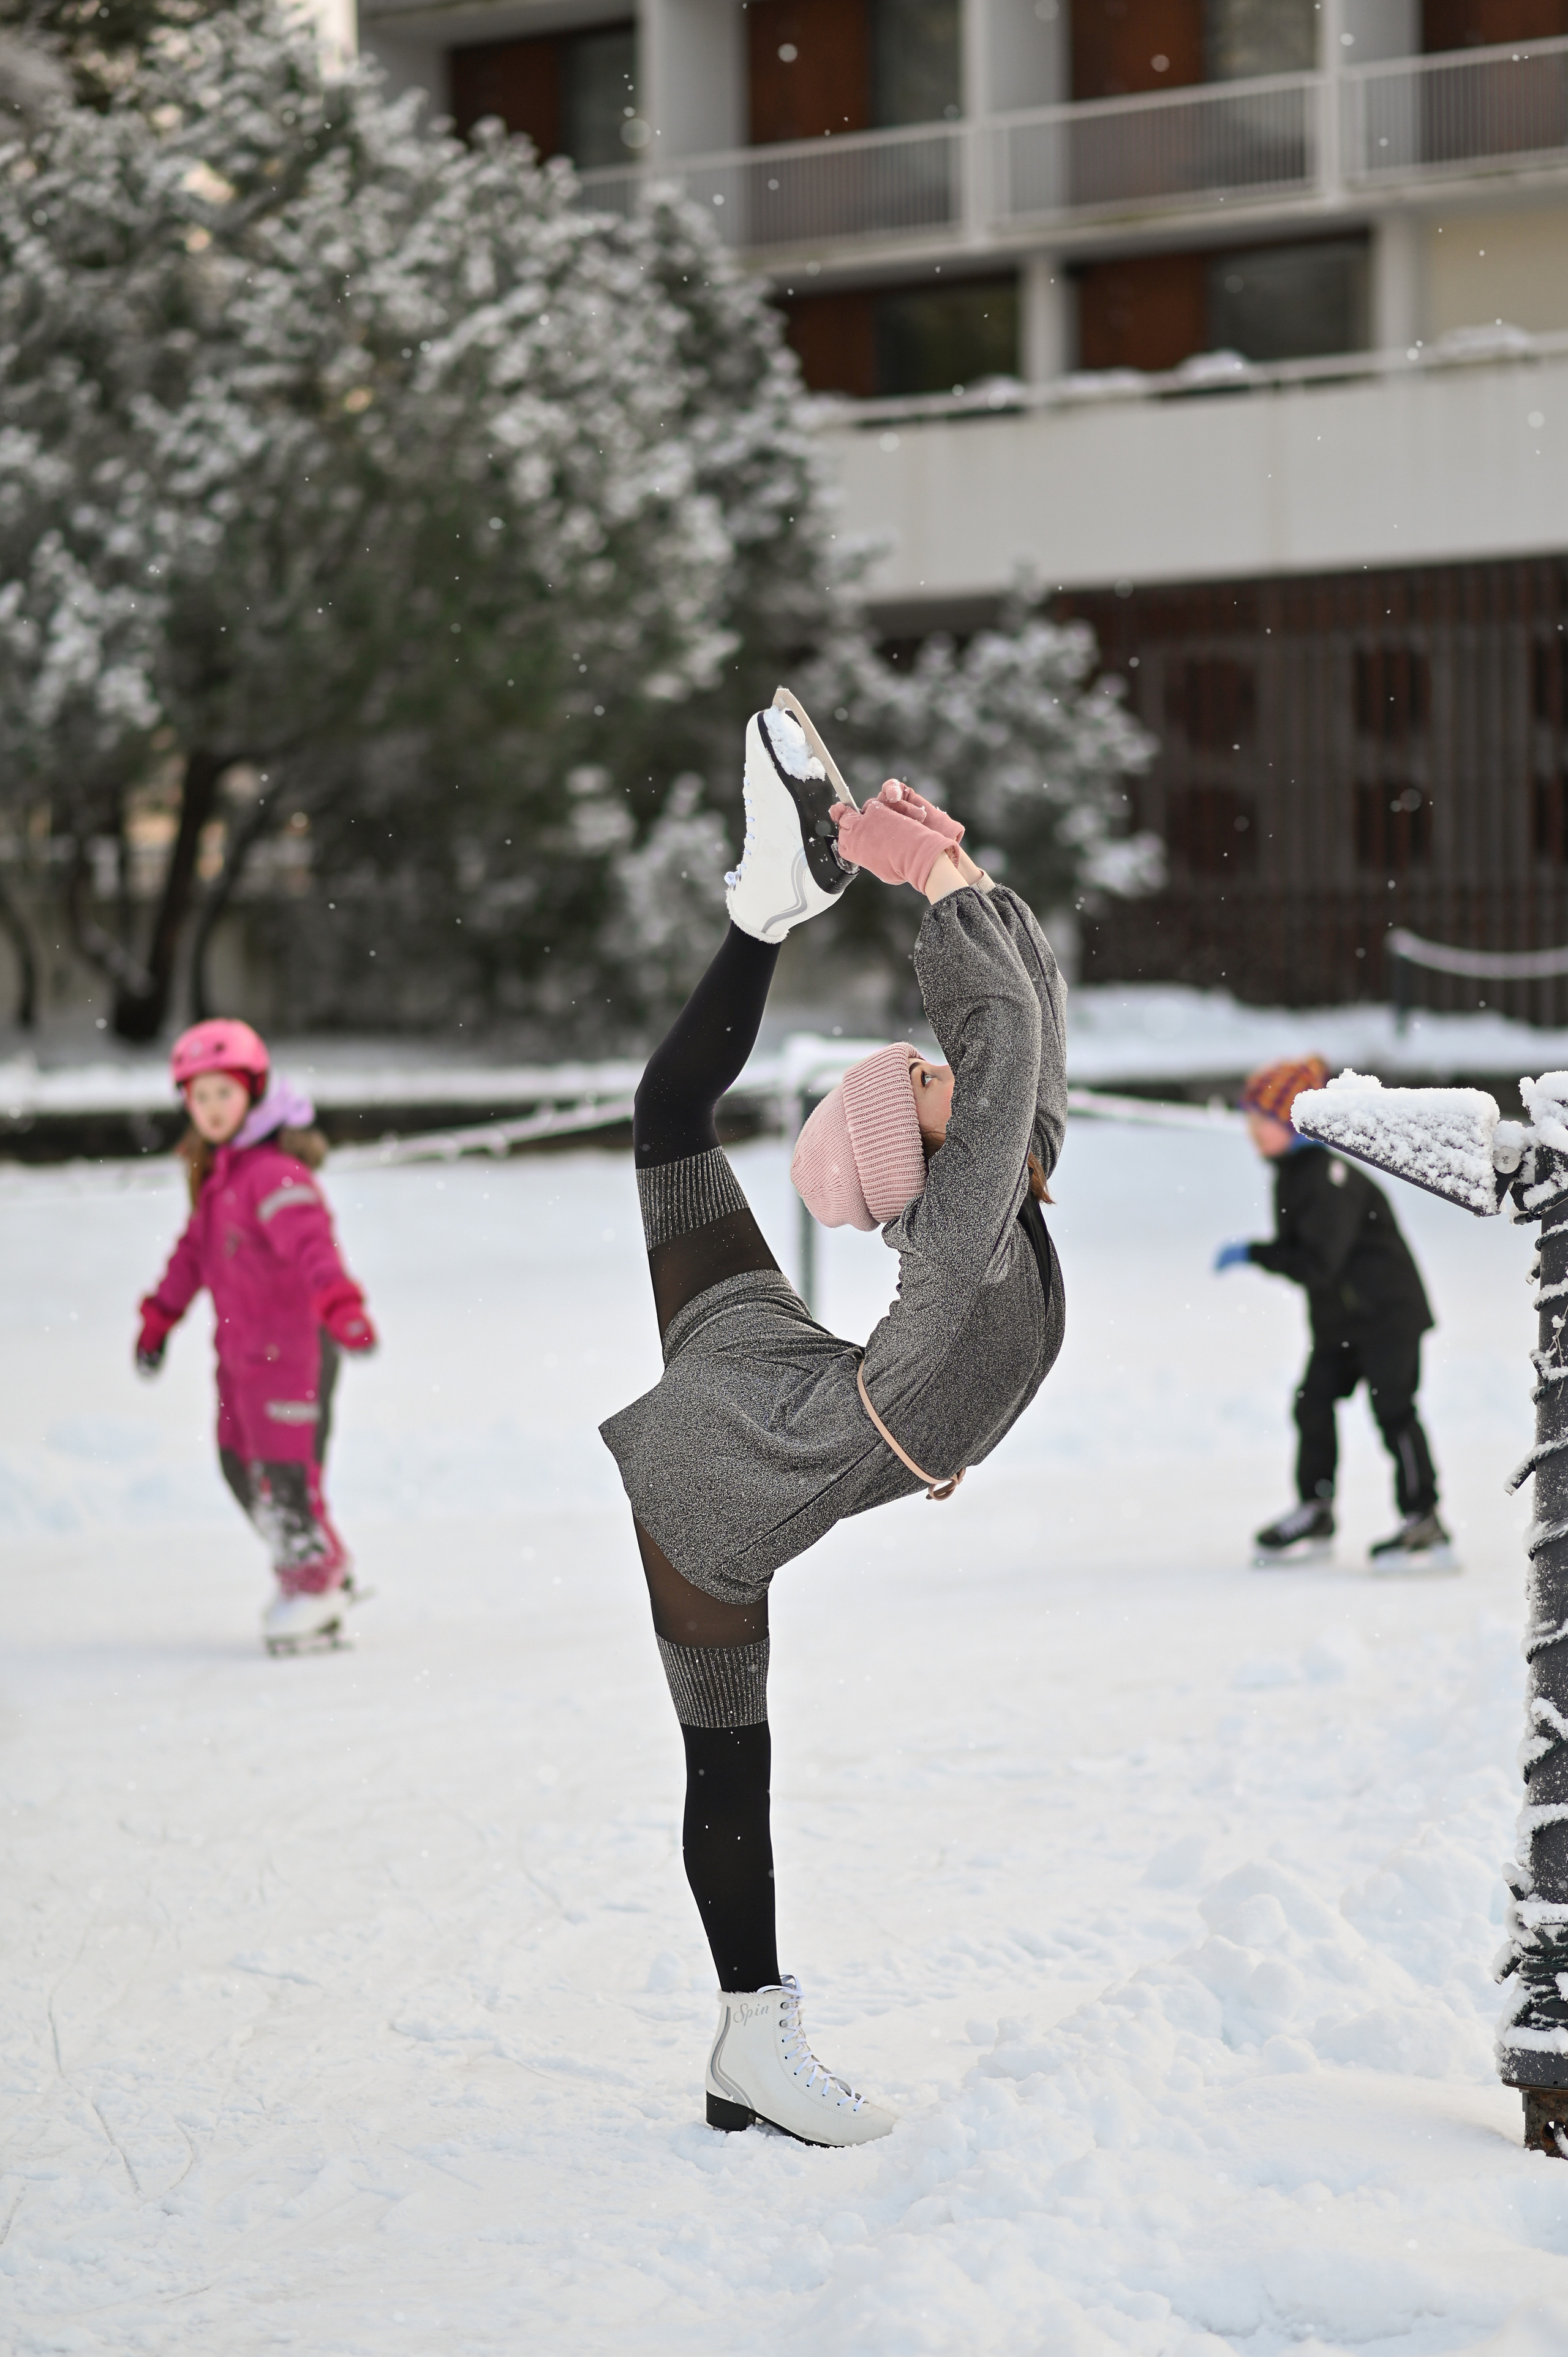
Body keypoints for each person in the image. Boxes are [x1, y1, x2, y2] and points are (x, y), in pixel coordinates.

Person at [600, 690, 1068, 2147]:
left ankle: (761, 907)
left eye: (926, 1068)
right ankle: (751, 2036)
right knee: (727, 1758)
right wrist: (929, 889)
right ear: (918, 1148)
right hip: (726, 1472)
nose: (945, 1073)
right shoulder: (955, 1251)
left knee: (666, 1120)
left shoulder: (984, 1207)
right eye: (923, 1080)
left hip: (767, 1361)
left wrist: (968, 878)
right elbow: (996, 1042)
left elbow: (1027, 1042)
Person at [135, 1018, 379, 1651]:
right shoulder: (222, 1180)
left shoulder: (273, 1175)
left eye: (225, 1092)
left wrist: (342, 1306)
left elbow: (313, 1248)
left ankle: (314, 1583)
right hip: (242, 1358)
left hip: (294, 1352)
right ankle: (322, 1562)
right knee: (238, 1463)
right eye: (200, 1096)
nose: (213, 1108)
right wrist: (158, 1320)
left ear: (255, 1092)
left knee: (283, 1472)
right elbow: (190, 1259)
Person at [1214, 1054, 1453, 1572]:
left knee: (1394, 1411)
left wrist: (1257, 1254)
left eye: (1261, 1118)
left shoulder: (1329, 1174)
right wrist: (1266, 1253)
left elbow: (1318, 1263)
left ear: (1292, 1122)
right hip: (1341, 1322)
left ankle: (1425, 1520)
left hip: (1386, 1316)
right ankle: (1316, 1510)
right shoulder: (1294, 1172)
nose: (1251, 1129)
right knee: (1313, 1403)